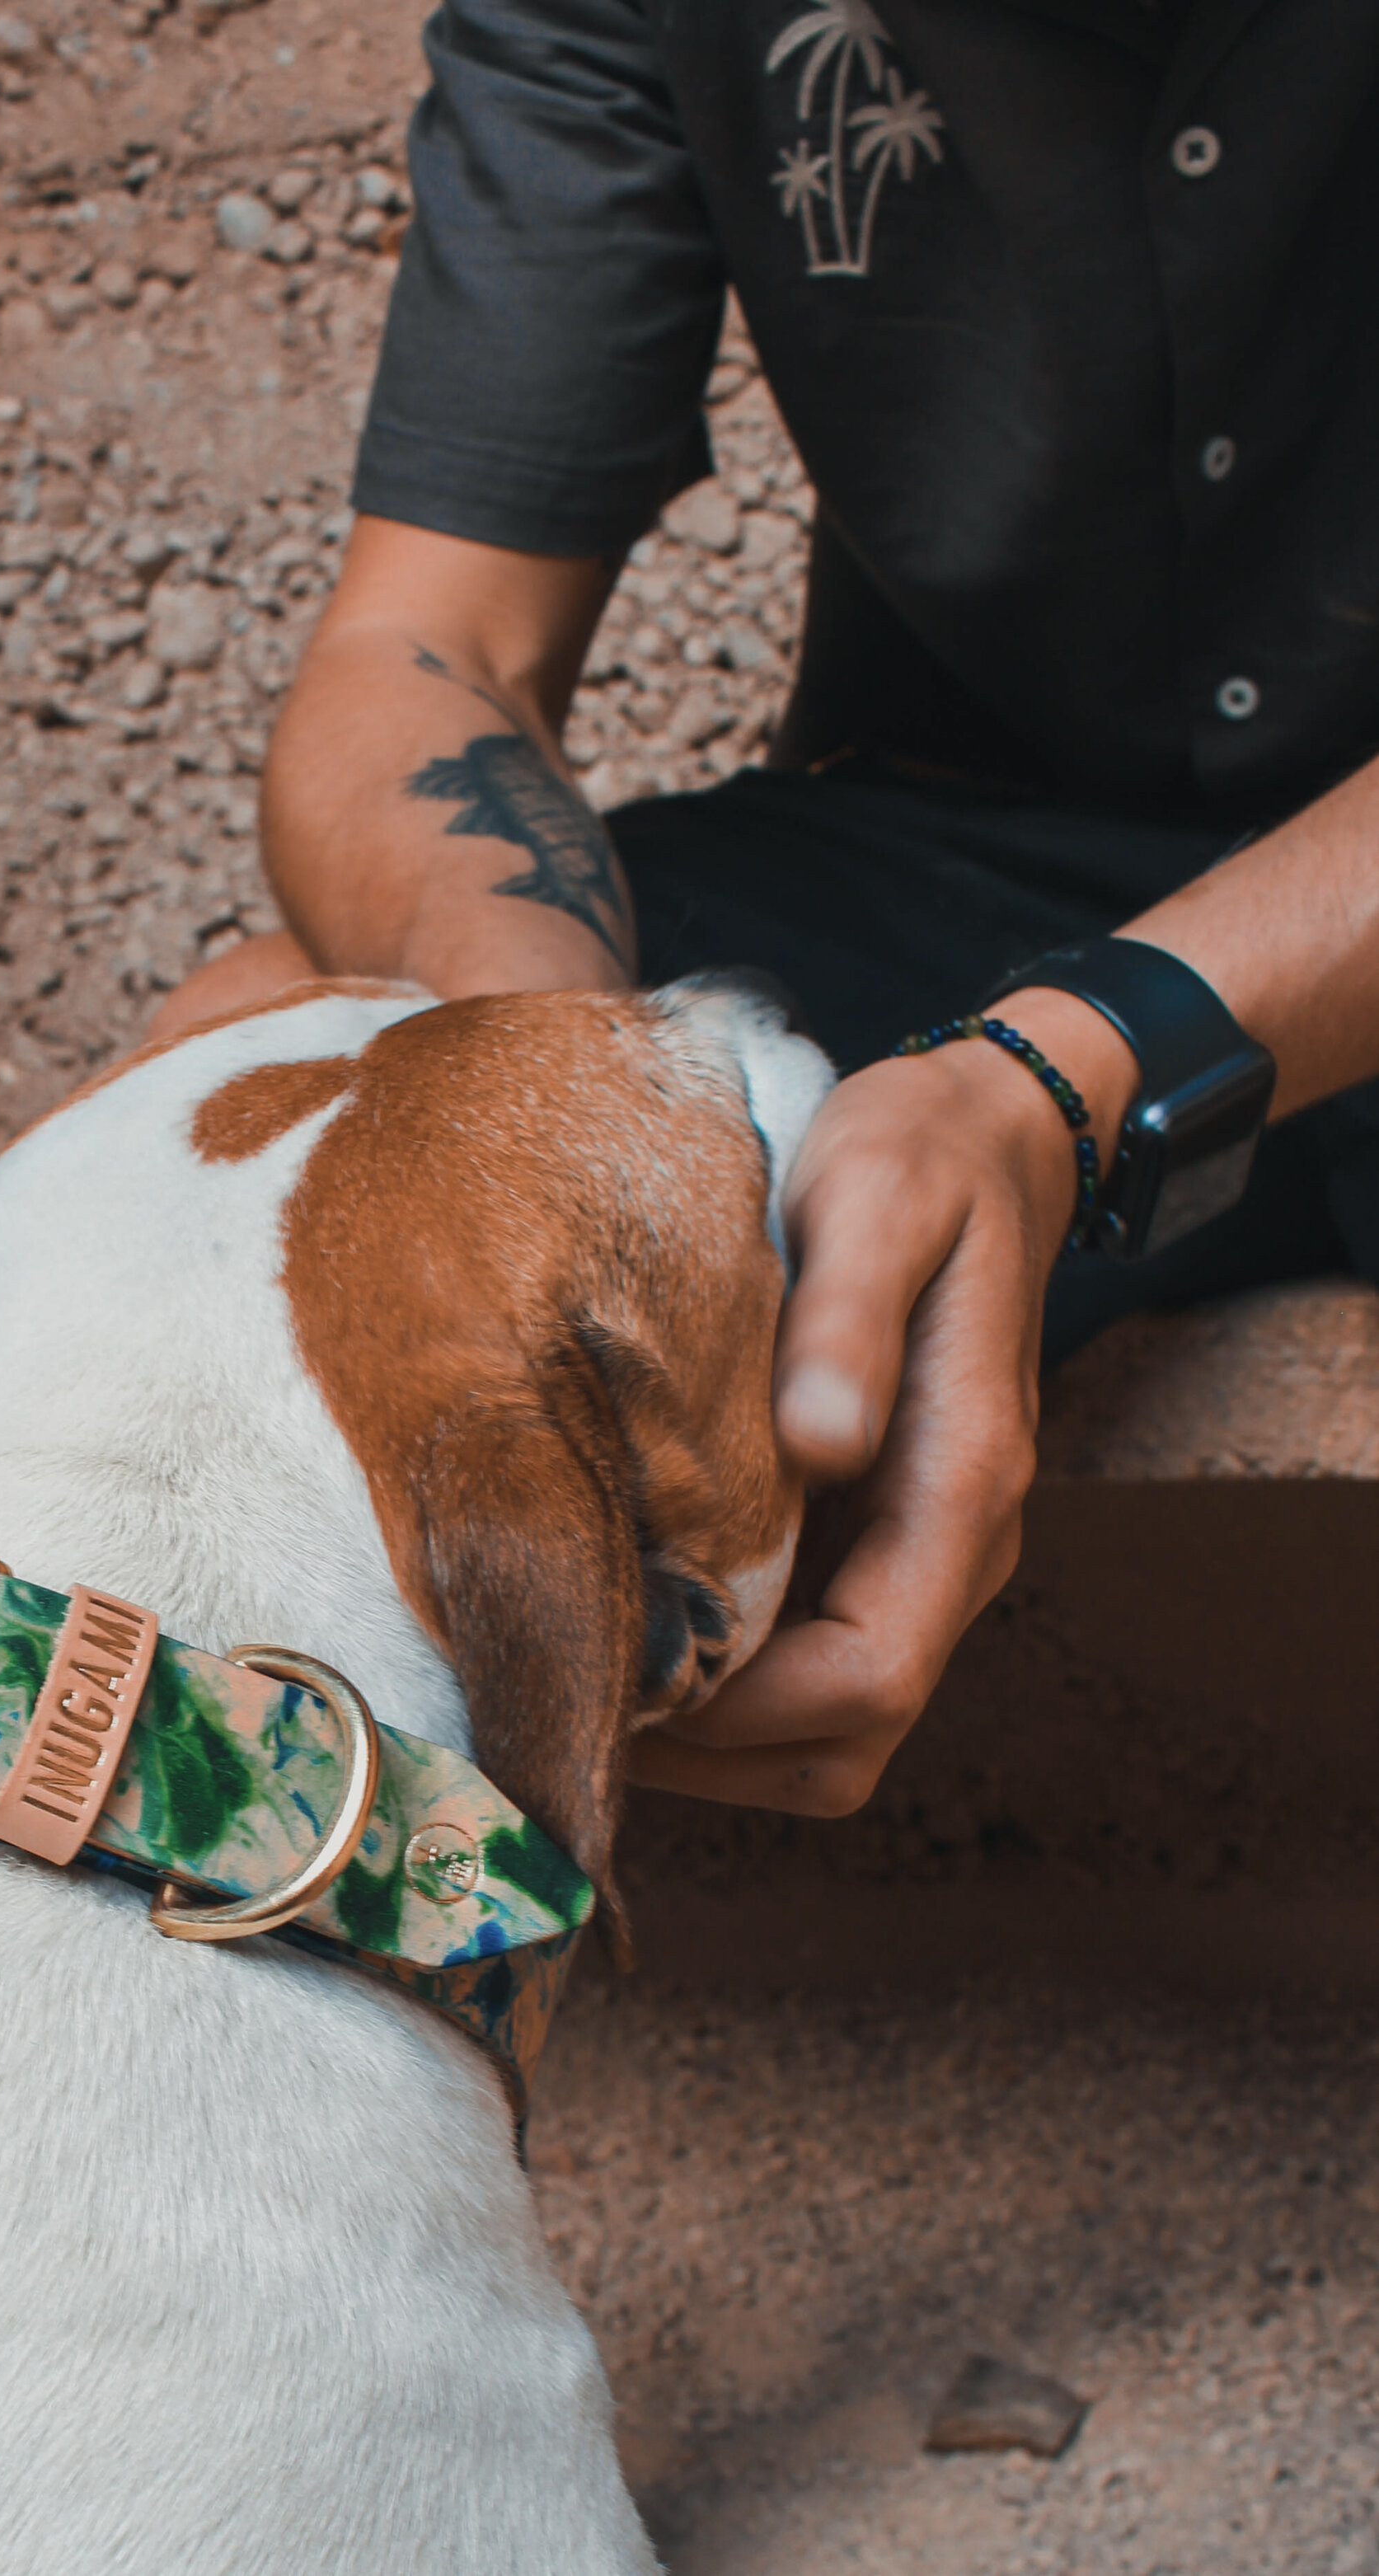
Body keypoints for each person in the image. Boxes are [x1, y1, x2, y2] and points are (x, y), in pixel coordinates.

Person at [149, 0, 1379, 1820]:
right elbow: (426, 646)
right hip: (978, 857)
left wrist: (1058, 1081)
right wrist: (561, 1088)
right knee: (254, 1084)